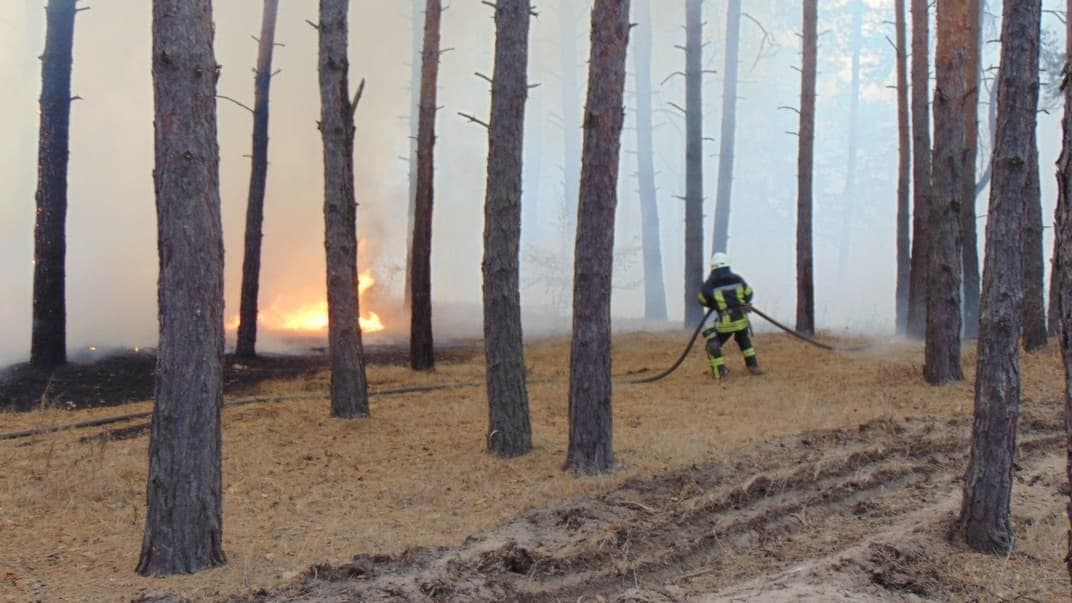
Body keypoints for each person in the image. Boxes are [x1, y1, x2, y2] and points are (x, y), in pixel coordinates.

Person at [697, 252, 761, 379]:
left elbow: (702, 300)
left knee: (712, 345)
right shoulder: (737, 279)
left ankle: (720, 372)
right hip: (741, 320)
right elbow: (749, 293)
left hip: (724, 324)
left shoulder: (709, 284)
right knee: (744, 340)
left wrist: (714, 303)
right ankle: (753, 365)